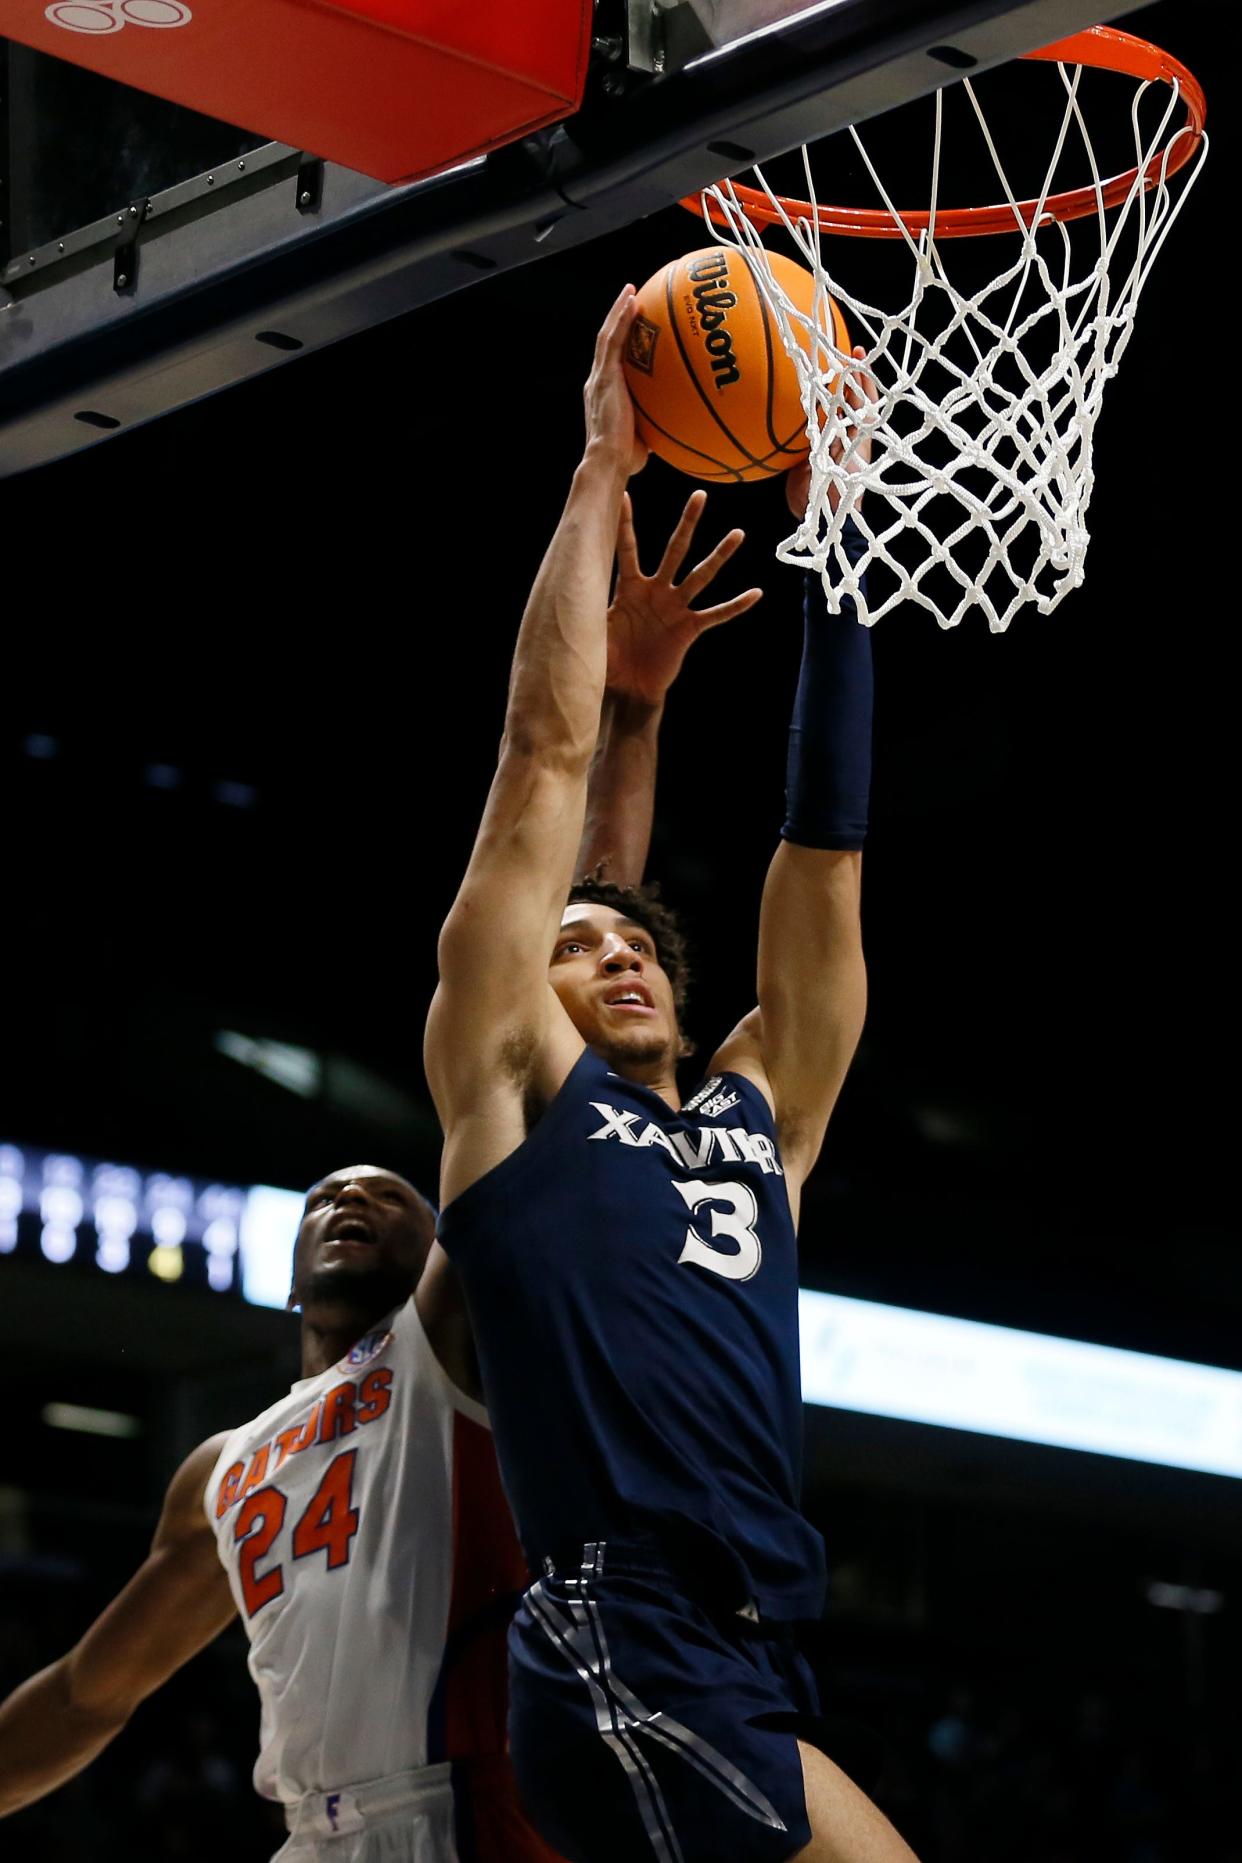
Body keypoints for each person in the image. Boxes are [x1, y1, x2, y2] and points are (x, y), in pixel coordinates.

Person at [0, 485, 756, 1862]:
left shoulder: (449, 1337)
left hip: (481, 1813)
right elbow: (87, 1694)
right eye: (324, 1197)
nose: (351, 1194)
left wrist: (634, 716)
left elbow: (560, 959)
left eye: (389, 1194)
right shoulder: (221, 1474)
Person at [425, 287, 919, 1862]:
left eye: (629, 940)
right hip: (615, 1628)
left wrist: (835, 551)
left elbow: (822, 861)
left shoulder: (756, 1122)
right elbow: (539, 766)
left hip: (752, 1643)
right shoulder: (515, 1099)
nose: (613, 950)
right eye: (573, 944)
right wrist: (598, 476)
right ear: (539, 1002)